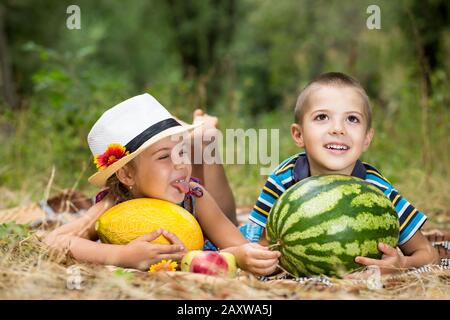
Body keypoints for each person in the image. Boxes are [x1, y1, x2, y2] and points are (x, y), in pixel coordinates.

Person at [43, 93, 280, 276]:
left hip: (207, 213)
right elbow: (53, 241)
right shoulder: (113, 205)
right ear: (126, 175)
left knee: (226, 212)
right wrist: (122, 255)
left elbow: (239, 246)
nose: (179, 162)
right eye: (164, 156)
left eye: (182, 151)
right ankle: (199, 140)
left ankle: (203, 141)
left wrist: (239, 256)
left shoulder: (195, 197)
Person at [240, 72, 439, 275]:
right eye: (322, 117)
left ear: (366, 139)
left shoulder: (378, 191)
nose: (338, 129)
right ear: (298, 135)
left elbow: (427, 254)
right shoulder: (283, 179)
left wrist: (401, 264)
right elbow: (260, 243)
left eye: (352, 119)